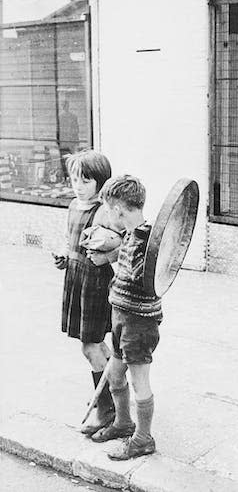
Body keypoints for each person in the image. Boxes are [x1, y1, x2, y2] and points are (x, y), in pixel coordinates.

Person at [89, 175, 162, 461]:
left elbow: (146, 278)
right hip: (121, 315)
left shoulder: (150, 240)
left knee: (139, 380)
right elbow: (123, 258)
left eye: (108, 209)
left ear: (118, 209)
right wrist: (108, 255)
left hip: (138, 322)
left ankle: (143, 439)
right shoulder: (132, 234)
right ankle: (123, 423)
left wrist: (114, 256)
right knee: (116, 375)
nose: (108, 215)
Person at [53, 150, 120, 435]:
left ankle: (106, 410)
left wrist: (107, 256)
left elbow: (125, 243)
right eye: (75, 179)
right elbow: (73, 242)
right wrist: (64, 256)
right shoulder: (73, 205)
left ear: (101, 182)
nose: (78, 186)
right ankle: (113, 398)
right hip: (76, 279)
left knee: (89, 346)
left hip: (95, 283)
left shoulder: (104, 211)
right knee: (100, 346)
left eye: (86, 181)